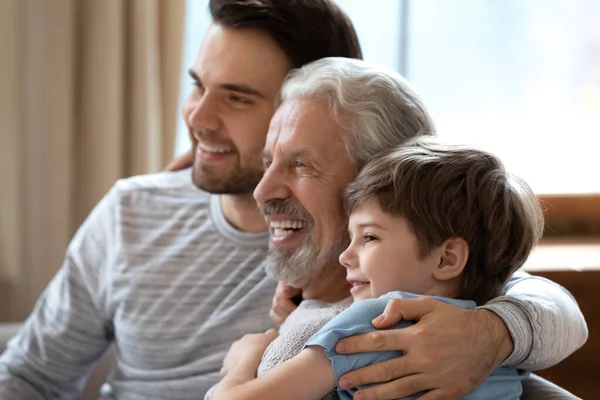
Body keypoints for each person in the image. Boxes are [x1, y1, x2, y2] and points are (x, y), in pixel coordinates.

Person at [0, 1, 363, 399]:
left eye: (237, 98)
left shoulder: (366, 241)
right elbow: (29, 378)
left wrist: (448, 325)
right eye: (198, 86)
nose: (198, 118)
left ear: (313, 110)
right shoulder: (131, 213)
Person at [234, 57, 586, 400]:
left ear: (374, 179)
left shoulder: (388, 319)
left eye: (301, 164)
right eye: (267, 162)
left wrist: (243, 361)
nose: (261, 191)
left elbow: (558, 312)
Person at [211, 137, 545, 400]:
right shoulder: (502, 349)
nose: (346, 256)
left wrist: (247, 358)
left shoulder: (376, 320)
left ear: (446, 259)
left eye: (369, 237)